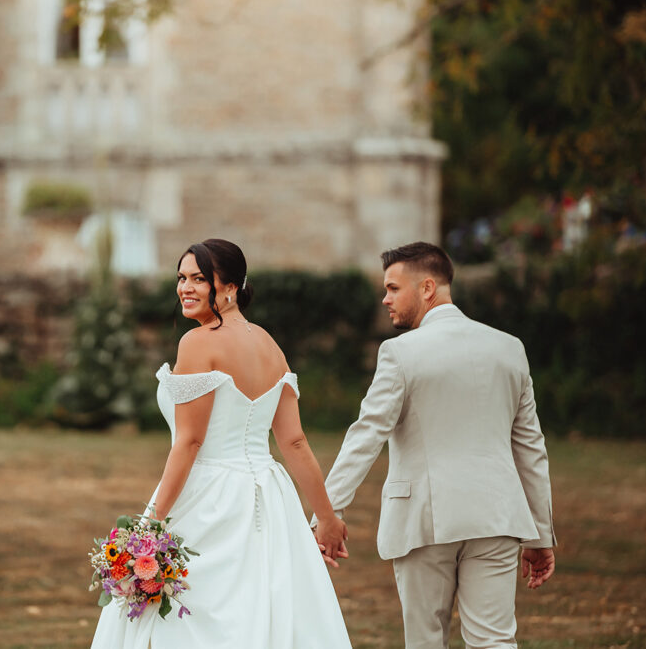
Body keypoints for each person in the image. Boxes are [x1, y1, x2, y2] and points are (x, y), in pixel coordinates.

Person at [91, 239, 352, 649]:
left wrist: (151, 525)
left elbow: (190, 442)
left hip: (208, 496)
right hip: (271, 497)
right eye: (181, 278)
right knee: (266, 606)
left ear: (231, 286)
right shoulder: (269, 345)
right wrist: (327, 517)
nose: (185, 288)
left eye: (199, 279)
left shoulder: (198, 343)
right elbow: (294, 442)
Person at [318, 241, 556, 649]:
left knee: (426, 642)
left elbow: (367, 434)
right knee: (495, 641)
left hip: (424, 521)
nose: (385, 298)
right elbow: (530, 447)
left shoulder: (400, 352)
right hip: (497, 517)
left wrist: (328, 511)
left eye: (393, 288)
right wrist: (540, 535)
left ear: (427, 288)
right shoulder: (509, 348)